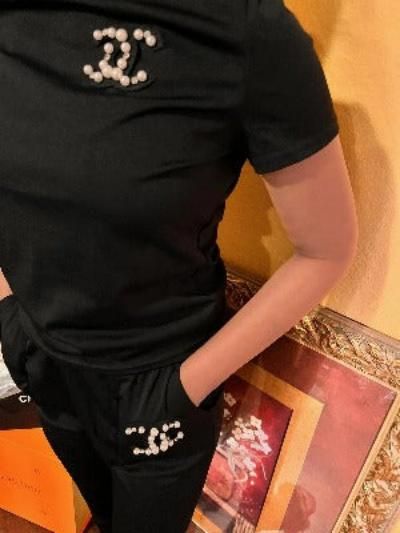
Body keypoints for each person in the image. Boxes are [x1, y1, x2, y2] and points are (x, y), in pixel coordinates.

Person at [0, 1, 358, 532]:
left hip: (160, 389)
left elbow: (326, 250)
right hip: (43, 361)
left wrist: (182, 389)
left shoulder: (242, 31)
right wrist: (10, 313)